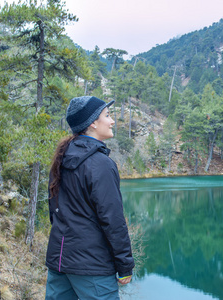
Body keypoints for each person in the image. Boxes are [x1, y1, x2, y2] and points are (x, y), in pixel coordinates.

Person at [45, 96, 135, 300]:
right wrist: (125, 265)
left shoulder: (61, 157)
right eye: (108, 115)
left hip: (60, 261)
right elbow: (113, 220)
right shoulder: (100, 163)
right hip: (91, 266)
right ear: (93, 123)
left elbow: (54, 211)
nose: (112, 121)